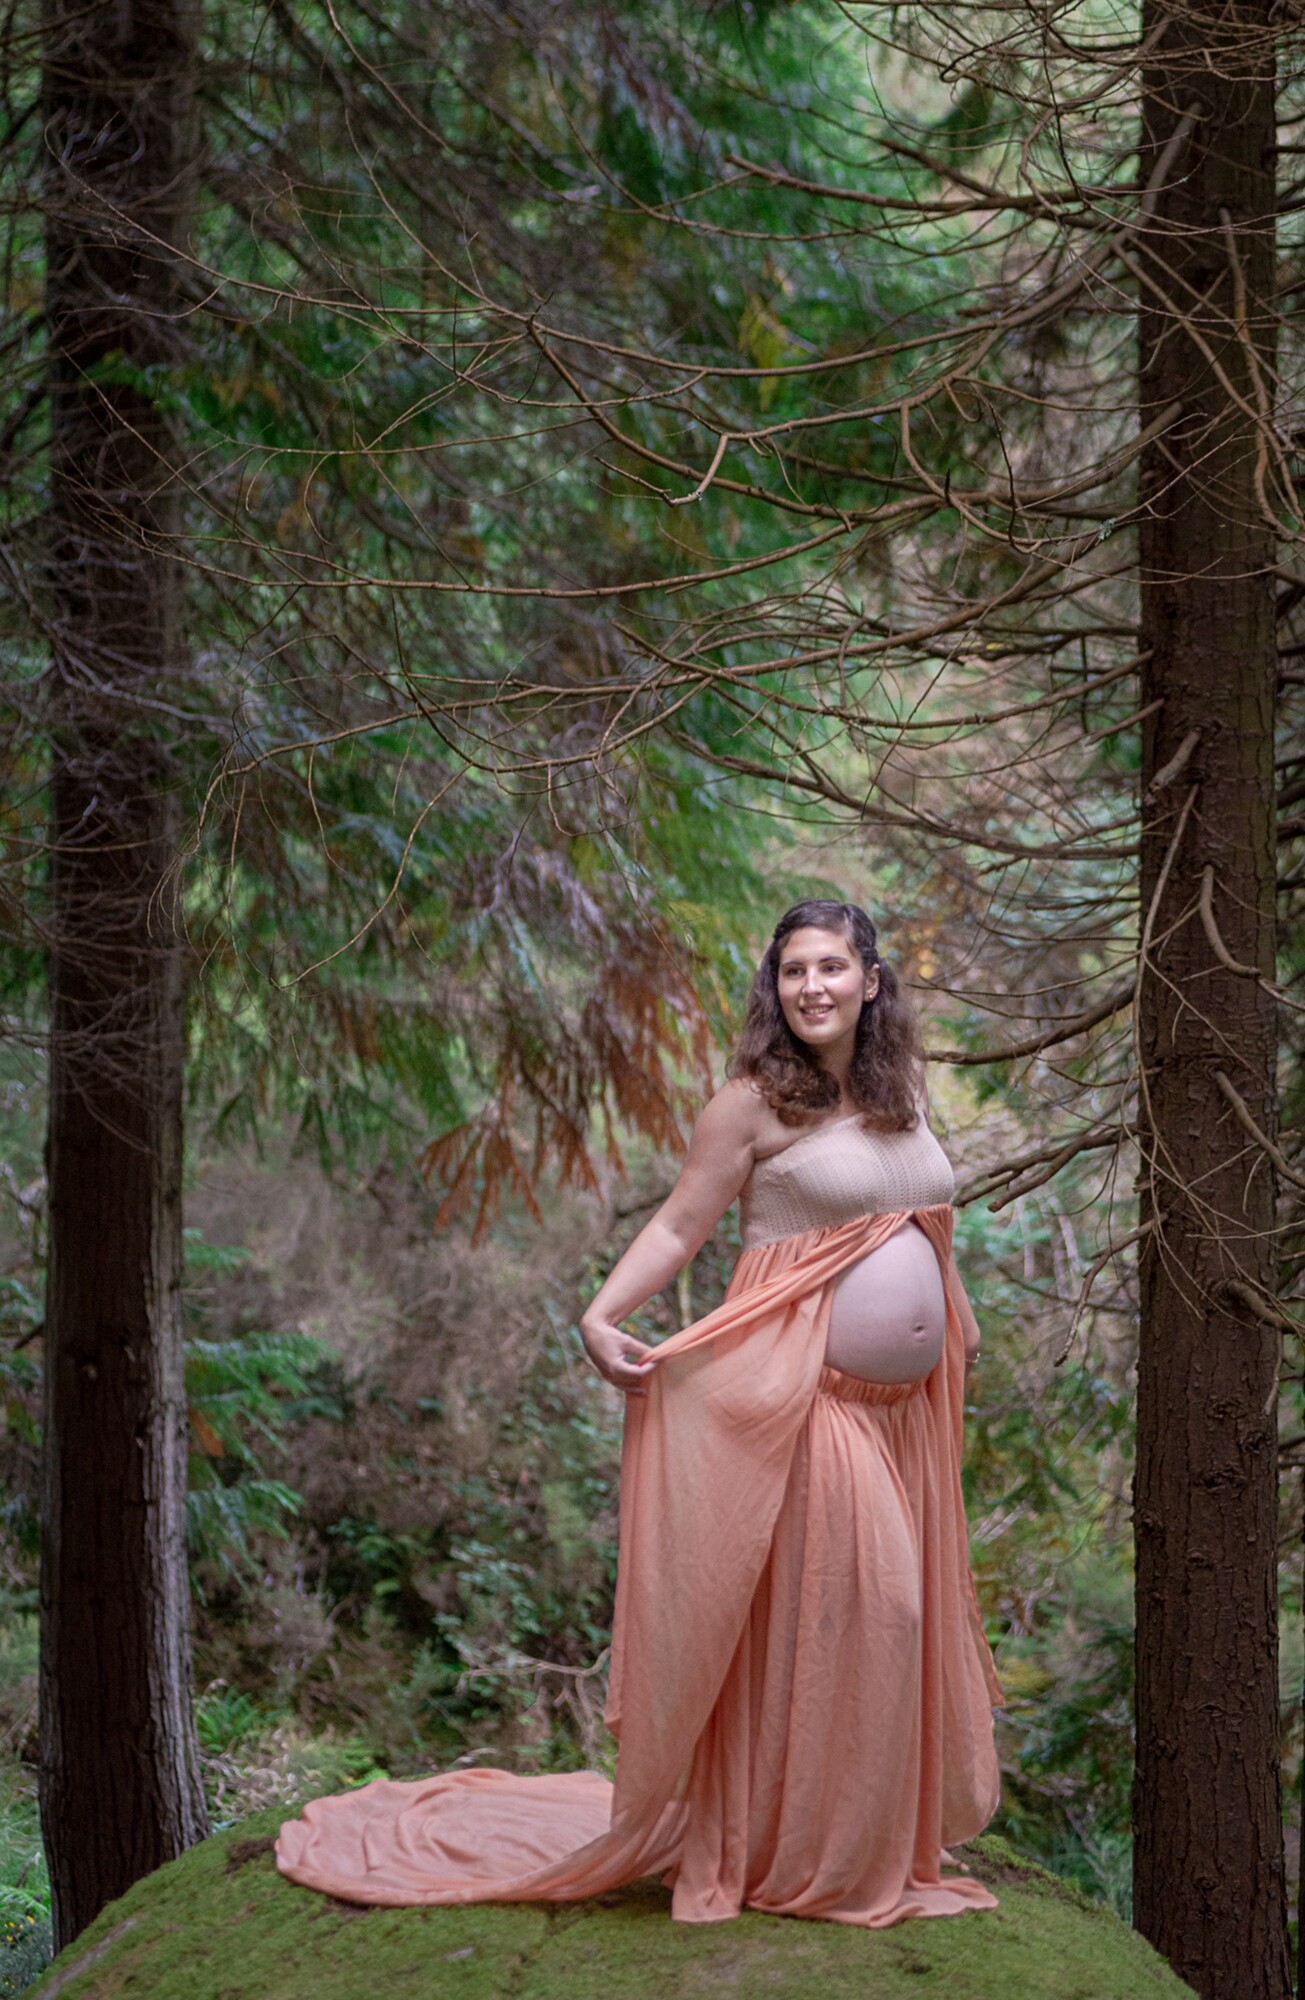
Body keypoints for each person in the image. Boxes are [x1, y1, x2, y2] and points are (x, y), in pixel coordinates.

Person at [276, 899, 1002, 1929]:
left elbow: (921, 1220)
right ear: (775, 987)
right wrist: (601, 1310)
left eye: (833, 966)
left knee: (841, 1629)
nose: (813, 986)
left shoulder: (903, 1094)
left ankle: (832, 1835)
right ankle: (815, 1861)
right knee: (884, 1612)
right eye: (794, 969)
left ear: (873, 980)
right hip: (806, 1402)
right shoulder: (751, 1103)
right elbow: (678, 1221)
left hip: (904, 1417)